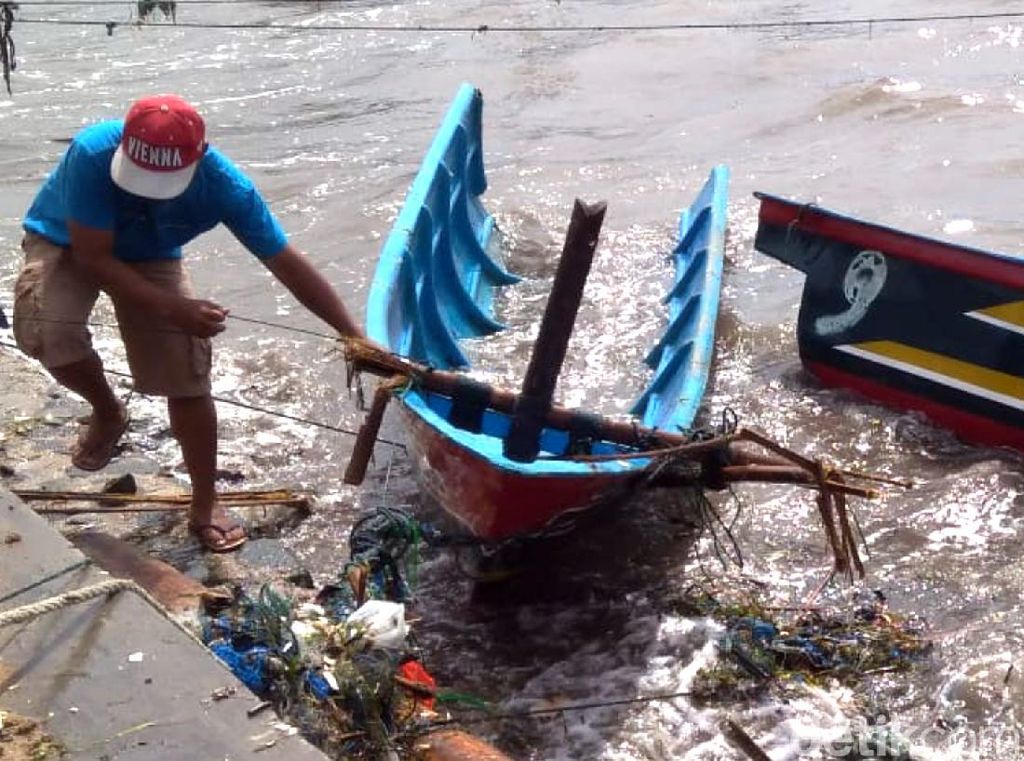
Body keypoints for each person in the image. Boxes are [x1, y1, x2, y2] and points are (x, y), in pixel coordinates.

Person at [12, 93, 364, 552]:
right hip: (71, 241)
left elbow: (283, 261)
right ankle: (107, 410)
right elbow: (94, 257)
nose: (142, 189)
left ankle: (205, 499)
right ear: (124, 151)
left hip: (152, 253)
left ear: (197, 160)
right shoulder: (92, 153)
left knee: (186, 375)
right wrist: (175, 308)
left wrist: (352, 335)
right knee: (47, 332)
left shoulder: (225, 187)